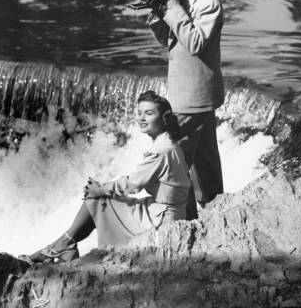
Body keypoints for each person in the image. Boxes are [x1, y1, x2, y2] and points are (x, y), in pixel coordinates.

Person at [25, 91, 191, 263]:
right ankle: (65, 244)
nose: (141, 118)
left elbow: (133, 186)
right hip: (166, 212)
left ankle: (64, 245)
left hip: (160, 221)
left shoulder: (159, 150)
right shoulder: (170, 142)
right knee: (100, 196)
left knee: (97, 197)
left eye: (149, 113)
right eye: (139, 112)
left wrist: (101, 188)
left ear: (164, 118)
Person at [145, 0, 225, 220]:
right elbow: (169, 40)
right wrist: (157, 11)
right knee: (205, 164)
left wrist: (169, 4)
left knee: (176, 166)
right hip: (185, 92)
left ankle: (184, 222)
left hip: (194, 97)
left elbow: (195, 43)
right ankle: (217, 217)